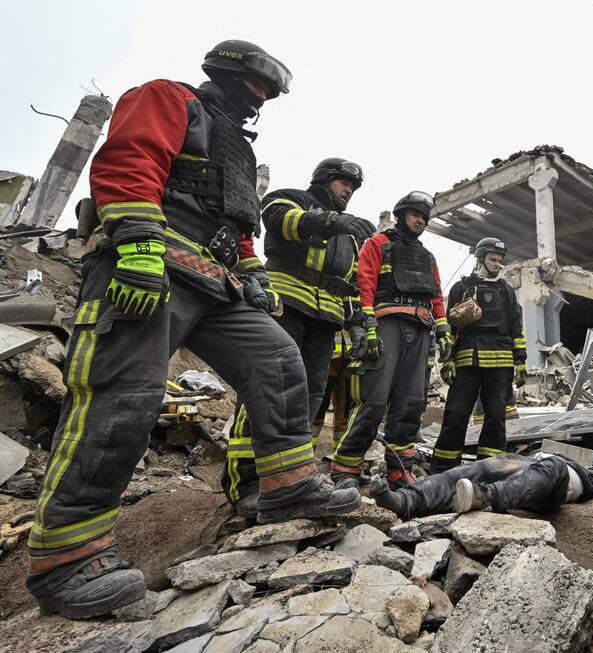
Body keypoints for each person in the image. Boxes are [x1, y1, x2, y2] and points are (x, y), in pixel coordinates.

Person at [26, 40, 360, 619]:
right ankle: (65, 556)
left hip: (216, 281)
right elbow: (129, 164)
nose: (258, 101)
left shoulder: (239, 152)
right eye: (254, 88)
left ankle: (285, 487)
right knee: (122, 399)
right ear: (224, 75)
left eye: (267, 96)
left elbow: (238, 221)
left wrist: (253, 273)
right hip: (150, 265)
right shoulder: (169, 98)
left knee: (279, 361)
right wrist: (135, 247)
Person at [222, 158, 373, 515]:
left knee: (309, 396)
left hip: (325, 320)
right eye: (342, 182)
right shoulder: (289, 198)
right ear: (324, 179)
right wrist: (333, 221)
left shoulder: (348, 237)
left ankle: (291, 478)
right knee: (266, 387)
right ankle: (244, 482)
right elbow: (281, 222)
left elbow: (347, 283)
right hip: (285, 306)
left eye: (352, 187)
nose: (348, 191)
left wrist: (357, 323)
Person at [332, 192, 452, 489]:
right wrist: (368, 324)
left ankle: (400, 470)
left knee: (412, 402)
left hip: (421, 328)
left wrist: (444, 328)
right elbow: (365, 283)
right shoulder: (378, 244)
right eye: (415, 214)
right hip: (387, 324)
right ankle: (346, 469)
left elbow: (436, 296)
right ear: (401, 214)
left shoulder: (427, 256)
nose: (420, 220)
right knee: (373, 400)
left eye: (424, 217)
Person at [429, 238, 526, 473]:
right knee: (456, 414)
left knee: (496, 417)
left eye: (500, 260)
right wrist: (447, 359)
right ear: (481, 258)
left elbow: (516, 327)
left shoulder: (506, 291)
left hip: (501, 362)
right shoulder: (461, 289)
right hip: (467, 361)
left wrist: (520, 361)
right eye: (493, 259)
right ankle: (443, 469)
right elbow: (449, 328)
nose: (497, 264)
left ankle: (490, 469)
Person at [368, 453, 593, 519]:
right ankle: (403, 501)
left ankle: (485, 496)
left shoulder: (592, 476)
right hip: (522, 465)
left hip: (557, 482)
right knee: (474, 470)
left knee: (553, 466)